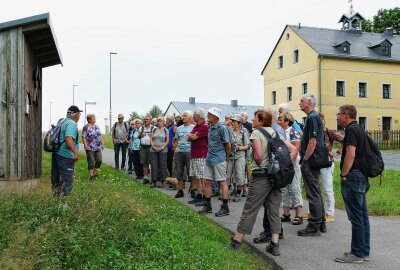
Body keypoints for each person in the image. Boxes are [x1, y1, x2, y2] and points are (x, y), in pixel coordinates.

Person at [230, 110, 298, 256]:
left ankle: (236, 241)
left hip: (260, 176)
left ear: (261, 120)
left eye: (255, 117)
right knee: (274, 211)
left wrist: (255, 158)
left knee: (250, 209)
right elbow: (293, 150)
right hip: (275, 177)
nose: (252, 119)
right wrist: (286, 167)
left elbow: (259, 157)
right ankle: (274, 243)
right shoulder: (276, 133)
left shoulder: (256, 133)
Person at [334, 105, 370, 264]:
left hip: (353, 176)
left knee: (356, 217)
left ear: (346, 115)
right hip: (361, 176)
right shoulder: (359, 129)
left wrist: (344, 174)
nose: (337, 117)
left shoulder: (351, 130)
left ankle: (357, 254)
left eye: (339, 114)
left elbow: (351, 154)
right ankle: (363, 251)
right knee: (362, 216)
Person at [297, 93, 327, 236]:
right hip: (314, 159)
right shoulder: (312, 117)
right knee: (315, 190)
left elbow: (313, 141)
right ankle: (320, 222)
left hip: (311, 159)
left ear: (309, 102)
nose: (299, 103)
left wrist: (305, 160)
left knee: (312, 192)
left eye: (301, 101)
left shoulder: (313, 117)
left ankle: (314, 224)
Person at [198, 107, 231, 217]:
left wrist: (226, 157)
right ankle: (208, 205)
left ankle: (225, 207)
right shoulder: (209, 127)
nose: (208, 115)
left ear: (216, 116)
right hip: (209, 158)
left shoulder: (222, 128)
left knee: (222, 182)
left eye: (210, 114)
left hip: (219, 159)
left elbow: (228, 144)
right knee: (207, 181)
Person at [277, 112, 303, 225]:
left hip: (292, 164)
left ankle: (299, 214)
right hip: (283, 163)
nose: (279, 121)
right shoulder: (280, 132)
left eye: (281, 119)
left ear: (287, 121)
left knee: (294, 187)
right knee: (284, 189)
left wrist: (290, 165)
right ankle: (286, 213)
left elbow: (296, 149)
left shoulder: (292, 131)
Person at [51, 105, 82, 196]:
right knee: (66, 180)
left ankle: (56, 200)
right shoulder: (72, 123)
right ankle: (63, 204)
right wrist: (75, 153)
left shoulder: (62, 122)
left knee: (56, 180)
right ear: (75, 115)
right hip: (66, 156)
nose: (79, 116)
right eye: (79, 114)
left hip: (57, 154)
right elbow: (68, 138)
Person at [187, 108, 209, 206]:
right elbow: (189, 138)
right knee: (196, 176)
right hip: (194, 155)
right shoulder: (196, 126)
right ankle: (199, 196)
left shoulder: (204, 126)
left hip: (201, 155)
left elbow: (193, 137)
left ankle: (204, 197)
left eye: (194, 115)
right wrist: (192, 135)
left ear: (198, 116)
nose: (193, 117)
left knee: (201, 177)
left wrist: (192, 135)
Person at [227, 114, 250, 202]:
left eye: (234, 121)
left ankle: (238, 193)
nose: (232, 122)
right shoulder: (229, 131)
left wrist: (239, 148)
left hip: (240, 156)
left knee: (240, 175)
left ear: (239, 123)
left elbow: (247, 146)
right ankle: (226, 194)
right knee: (228, 175)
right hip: (231, 156)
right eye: (232, 121)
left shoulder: (244, 132)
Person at [173, 111, 194, 198]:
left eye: (185, 116)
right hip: (179, 152)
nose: (183, 117)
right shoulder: (179, 128)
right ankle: (180, 190)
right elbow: (176, 141)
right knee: (179, 171)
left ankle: (193, 190)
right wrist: (174, 153)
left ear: (190, 117)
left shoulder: (194, 127)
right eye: (183, 116)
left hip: (189, 151)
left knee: (191, 172)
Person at [82, 113, 104, 180]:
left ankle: (94, 173)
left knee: (99, 160)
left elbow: (99, 135)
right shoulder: (86, 127)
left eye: (95, 117)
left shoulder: (97, 126)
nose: (95, 118)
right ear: (89, 119)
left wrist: (102, 143)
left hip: (97, 147)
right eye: (93, 117)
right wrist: (85, 146)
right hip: (90, 147)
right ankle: (92, 176)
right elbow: (83, 137)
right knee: (91, 161)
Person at [150, 116, 169, 187]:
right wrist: (153, 146)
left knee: (162, 165)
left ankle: (162, 181)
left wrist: (162, 147)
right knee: (154, 165)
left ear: (163, 122)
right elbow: (151, 139)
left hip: (163, 150)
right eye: (158, 121)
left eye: (161, 121)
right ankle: (153, 181)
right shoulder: (154, 130)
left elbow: (167, 140)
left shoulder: (166, 130)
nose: (159, 122)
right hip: (153, 149)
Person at [138, 114, 153, 183]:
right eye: (145, 119)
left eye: (147, 119)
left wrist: (152, 137)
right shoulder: (141, 128)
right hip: (143, 147)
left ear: (150, 120)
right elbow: (138, 136)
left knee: (152, 163)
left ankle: (153, 178)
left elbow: (156, 137)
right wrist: (141, 135)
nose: (145, 120)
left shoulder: (154, 128)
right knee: (144, 163)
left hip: (151, 147)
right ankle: (146, 177)